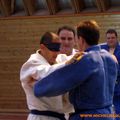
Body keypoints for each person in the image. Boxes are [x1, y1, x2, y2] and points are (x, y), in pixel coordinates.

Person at [33, 20, 118, 120]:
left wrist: (38, 87)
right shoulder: (110, 58)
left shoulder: (86, 60)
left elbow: (60, 81)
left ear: (81, 40)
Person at [20, 32, 67, 120]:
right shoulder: (32, 63)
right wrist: (67, 64)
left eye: (58, 49)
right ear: (42, 47)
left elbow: (74, 59)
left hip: (59, 116)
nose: (56, 53)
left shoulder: (59, 60)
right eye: (53, 49)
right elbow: (45, 73)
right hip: (40, 117)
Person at [100, 29, 120, 117]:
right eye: (108, 38)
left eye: (113, 38)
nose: (110, 40)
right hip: (105, 88)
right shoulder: (102, 49)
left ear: (117, 38)